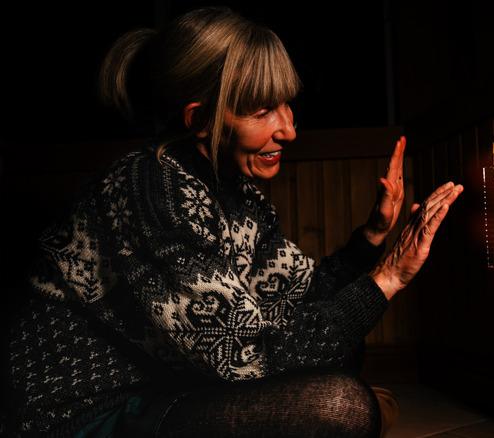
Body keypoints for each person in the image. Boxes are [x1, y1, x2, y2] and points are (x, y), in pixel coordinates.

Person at [3, 6, 462, 438]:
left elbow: (300, 303)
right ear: (201, 119)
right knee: (343, 405)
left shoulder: (239, 195)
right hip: (86, 416)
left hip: (168, 386)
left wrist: (373, 236)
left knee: (341, 353)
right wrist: (388, 277)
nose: (289, 130)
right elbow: (248, 355)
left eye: (286, 104)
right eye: (263, 112)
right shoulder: (151, 193)